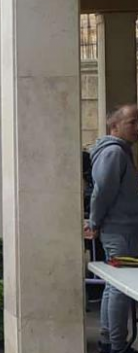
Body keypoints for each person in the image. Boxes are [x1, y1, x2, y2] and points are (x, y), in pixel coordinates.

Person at [91, 104, 138, 353]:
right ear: (115, 126)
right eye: (132, 122)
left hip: (122, 228)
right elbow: (102, 192)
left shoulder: (120, 152)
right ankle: (117, 346)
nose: (137, 128)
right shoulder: (114, 154)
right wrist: (94, 223)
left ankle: (109, 339)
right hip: (119, 230)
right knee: (120, 287)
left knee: (114, 285)